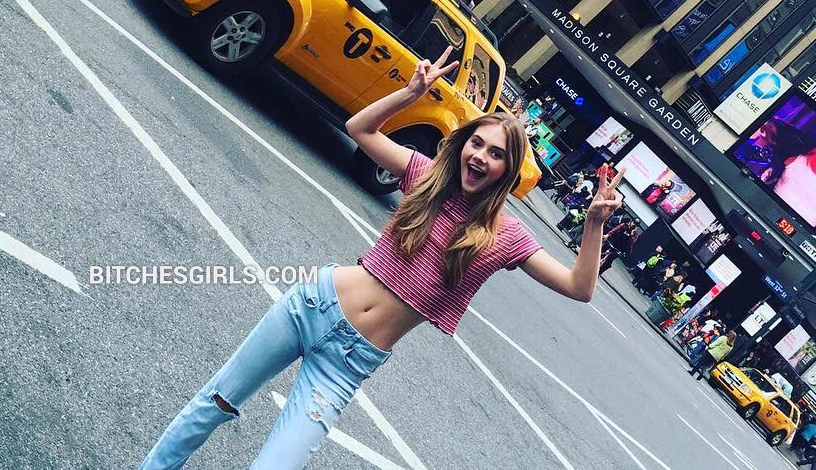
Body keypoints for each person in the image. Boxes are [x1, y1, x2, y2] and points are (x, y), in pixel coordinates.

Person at [137, 47, 625, 469]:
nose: (480, 156)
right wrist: (410, 94)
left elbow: (578, 287)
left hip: (349, 362)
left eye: (495, 154)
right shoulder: (425, 175)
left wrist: (594, 226)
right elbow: (360, 129)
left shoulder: (505, 235)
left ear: (507, 168)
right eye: (476, 143)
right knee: (214, 403)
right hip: (312, 304)